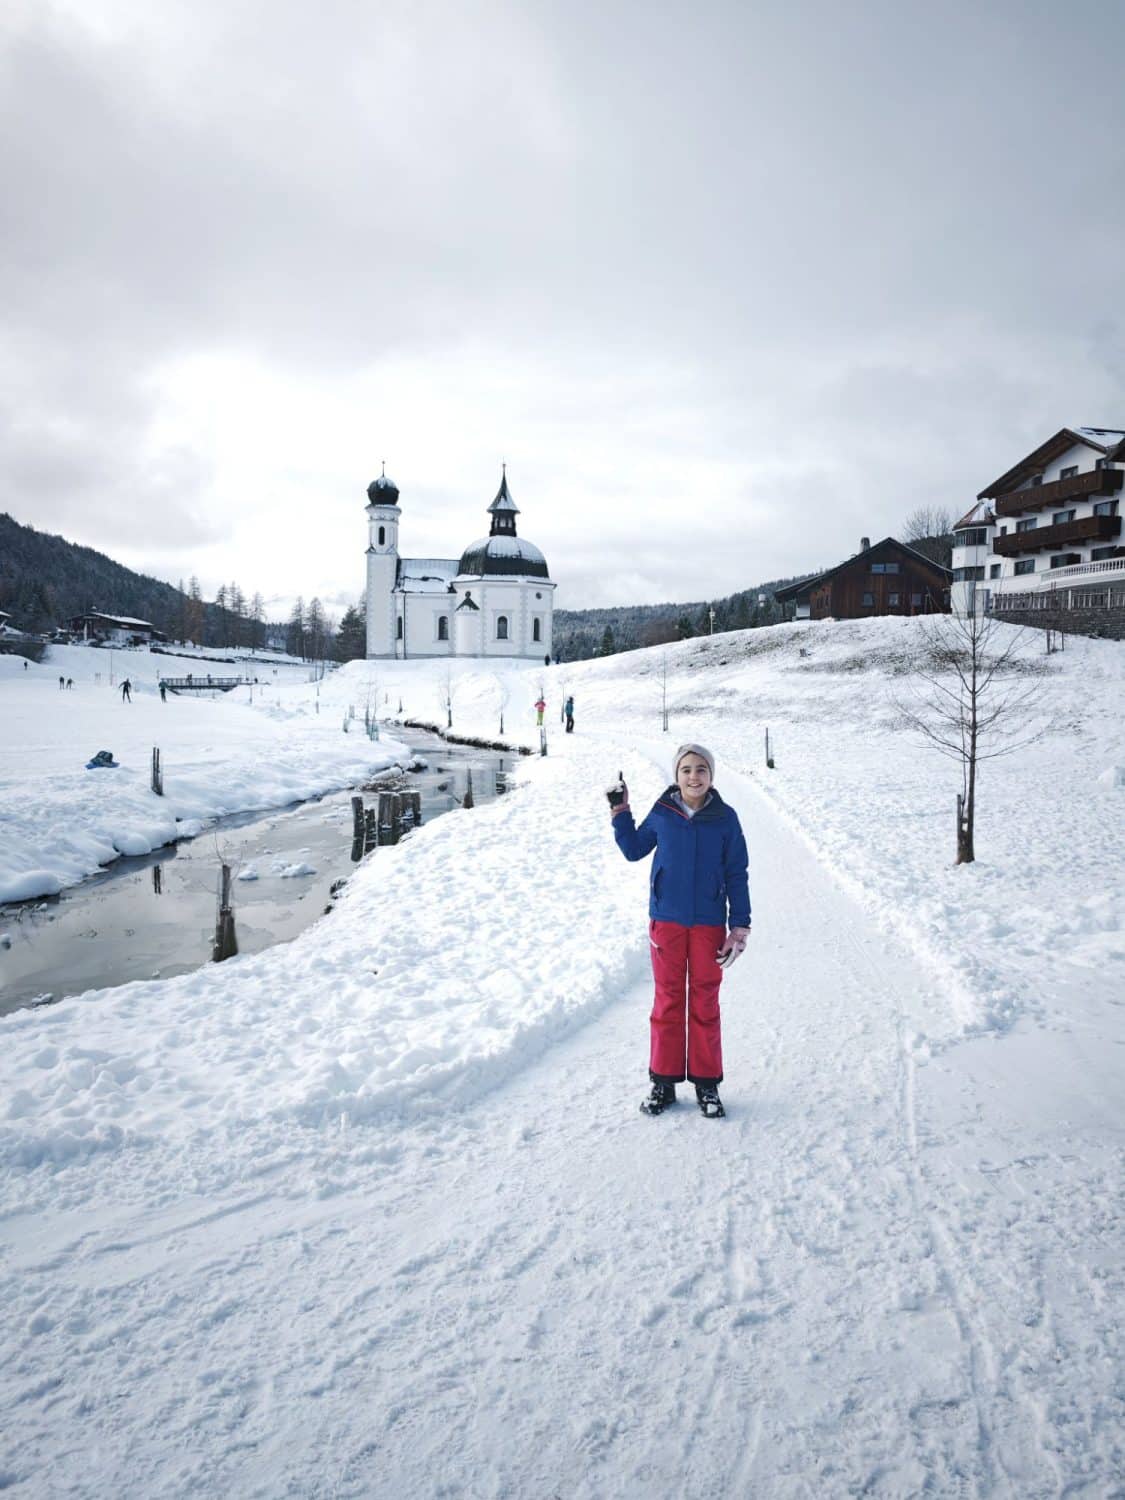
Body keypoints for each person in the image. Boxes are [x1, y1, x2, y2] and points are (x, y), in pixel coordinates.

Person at [608, 744, 750, 1119]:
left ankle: (707, 1085)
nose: (693, 776)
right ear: (677, 775)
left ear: (711, 776)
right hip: (666, 922)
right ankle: (664, 1083)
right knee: (668, 999)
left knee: (705, 1001)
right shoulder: (664, 812)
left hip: (708, 924)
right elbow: (634, 849)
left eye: (701, 769)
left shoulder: (725, 818)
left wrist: (739, 926)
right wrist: (620, 811)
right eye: (686, 769)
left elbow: (737, 873)